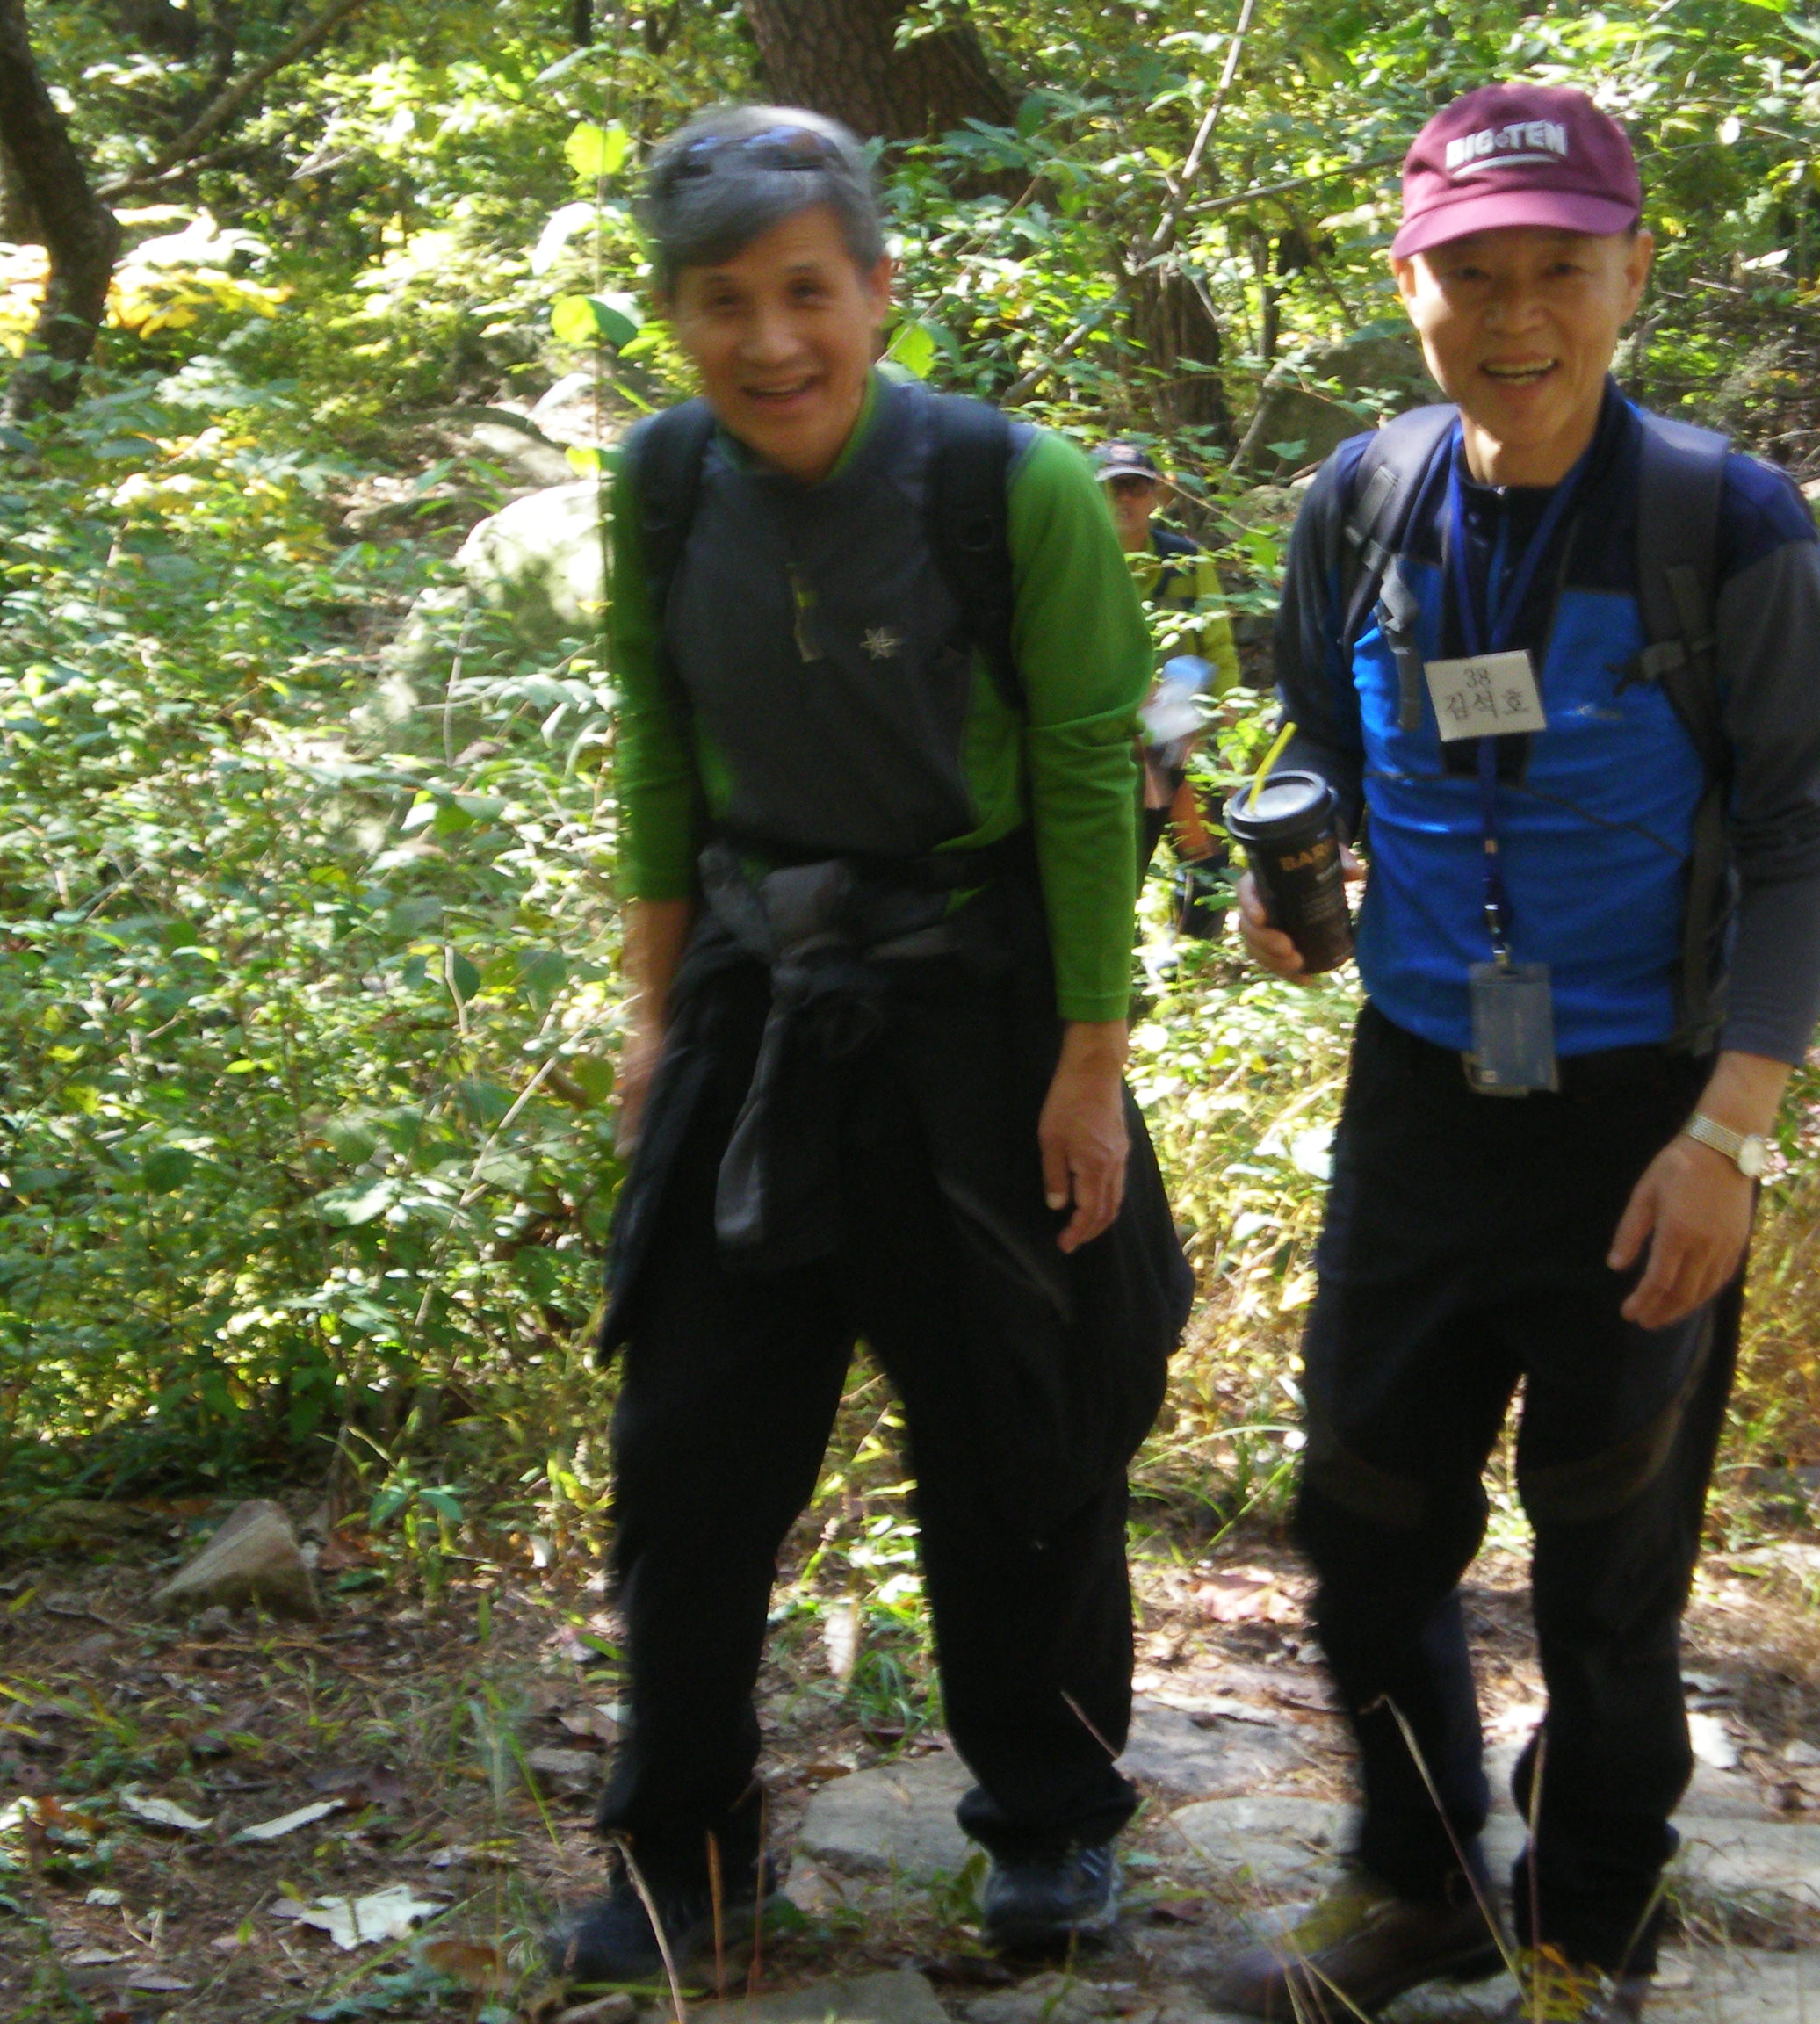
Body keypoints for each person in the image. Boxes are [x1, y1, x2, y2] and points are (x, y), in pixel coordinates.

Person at [1210, 83, 1820, 2024]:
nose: (1516, 316)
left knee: (1608, 1552)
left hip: (1641, 1118)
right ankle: (1416, 1882)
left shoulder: (1721, 524)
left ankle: (1586, 1934)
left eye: (1558, 270)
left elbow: (1808, 829)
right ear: (1407, 284)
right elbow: (1322, 739)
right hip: (1418, 1095)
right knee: (1362, 1520)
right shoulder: (1362, 501)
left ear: (1632, 276)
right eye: (1472, 272)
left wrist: (1729, 1133)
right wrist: (1289, 884)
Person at [566, 105, 1191, 1982]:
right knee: (687, 1450)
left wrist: (1089, 1066)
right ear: (675, 315)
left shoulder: (1012, 488)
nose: (770, 341)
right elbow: (661, 749)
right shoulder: (661, 486)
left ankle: (1051, 1823)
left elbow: (1085, 776)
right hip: (758, 1003)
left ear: (877, 290)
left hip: (981, 1009)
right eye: (722, 301)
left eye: (805, 293)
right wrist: (654, 1013)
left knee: (1021, 1437)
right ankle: (686, 1857)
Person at [1096, 441, 1243, 930]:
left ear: (1157, 496)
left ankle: (1199, 950)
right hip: (1114, 739)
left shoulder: (1187, 559)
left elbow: (1218, 644)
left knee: (1204, 852)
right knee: (1119, 860)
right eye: (1114, 487)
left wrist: (1225, 720)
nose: (1125, 499)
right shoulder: (1081, 561)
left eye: (1136, 487)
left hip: (1187, 733)